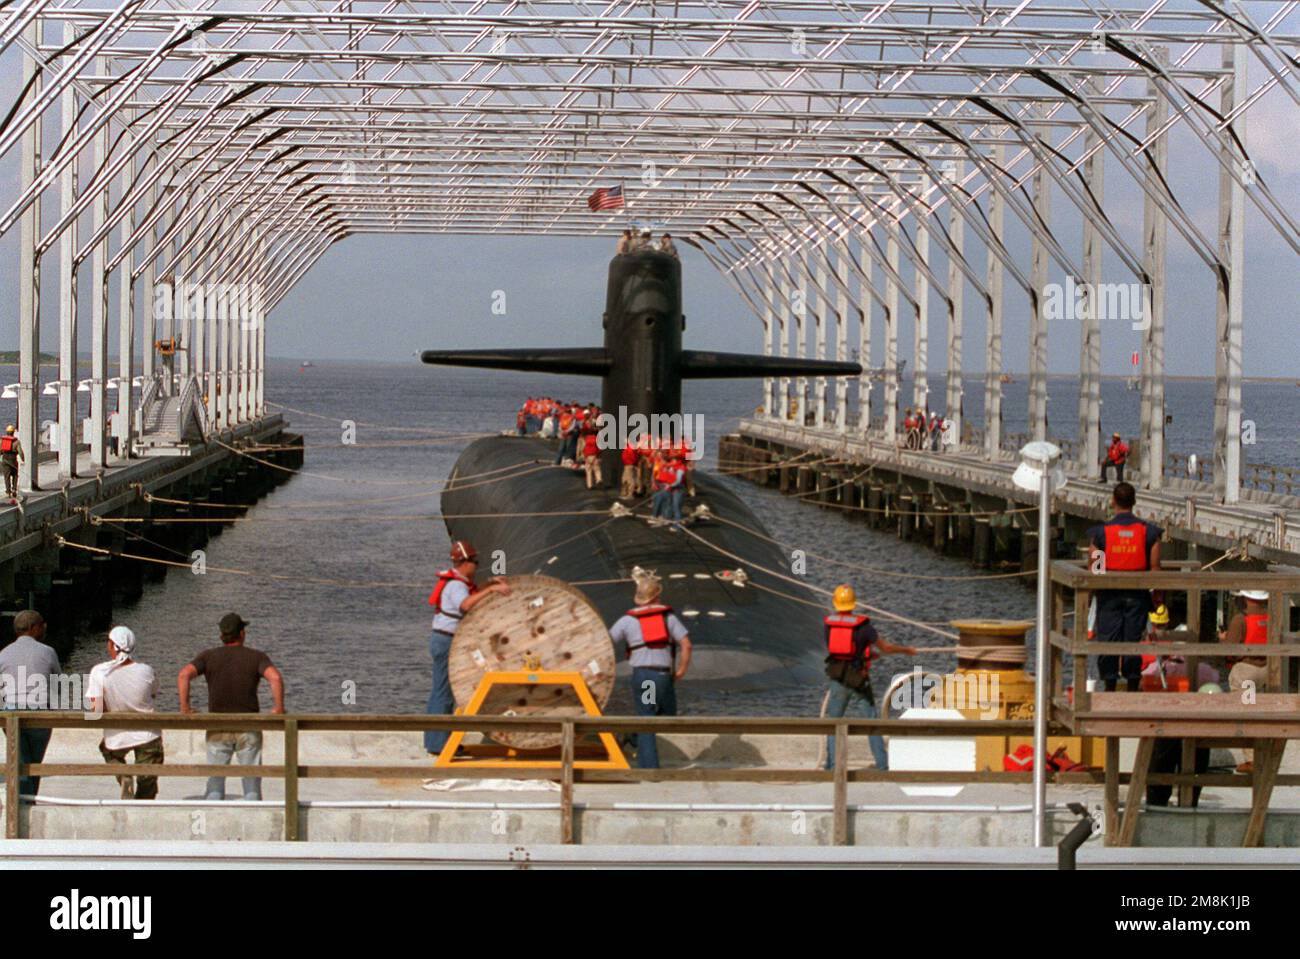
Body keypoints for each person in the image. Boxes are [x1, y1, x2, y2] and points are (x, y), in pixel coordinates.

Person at [177, 613, 285, 801]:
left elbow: (183, 675)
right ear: (242, 634)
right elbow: (275, 677)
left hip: (218, 725)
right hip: (248, 726)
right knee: (251, 783)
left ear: (221, 636)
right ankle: (252, 822)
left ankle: (213, 821)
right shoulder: (256, 657)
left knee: (215, 782)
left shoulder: (209, 656)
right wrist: (278, 708)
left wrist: (185, 708)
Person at [425, 540, 510, 755]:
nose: (477, 565)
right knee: (443, 693)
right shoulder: (456, 585)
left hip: (444, 640)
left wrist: (490, 584)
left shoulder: (459, 583)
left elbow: (470, 596)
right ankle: (438, 745)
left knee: (442, 691)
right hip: (445, 642)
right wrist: (492, 590)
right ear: (465, 563)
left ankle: (437, 741)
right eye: (475, 561)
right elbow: (466, 604)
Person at [821, 585, 916, 771]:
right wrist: (906, 650)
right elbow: (886, 648)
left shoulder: (829, 624)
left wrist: (865, 654)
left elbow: (838, 651)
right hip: (858, 681)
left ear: (835, 603)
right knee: (871, 721)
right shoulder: (864, 627)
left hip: (837, 679)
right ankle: (882, 766)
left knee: (833, 722)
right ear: (853, 604)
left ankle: (831, 766)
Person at [608, 573, 691, 769]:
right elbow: (686, 645)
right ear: (656, 597)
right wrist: (681, 670)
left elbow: (606, 642)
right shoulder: (668, 618)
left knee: (646, 717)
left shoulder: (627, 621)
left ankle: (638, 744)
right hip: (663, 677)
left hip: (645, 678)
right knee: (664, 715)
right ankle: (648, 765)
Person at [1086, 482, 1162, 692]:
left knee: (1108, 642)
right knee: (1133, 642)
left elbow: (1095, 567)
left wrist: (1090, 595)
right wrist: (1158, 598)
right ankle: (1131, 686)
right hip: (1137, 596)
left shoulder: (1101, 534)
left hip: (1109, 596)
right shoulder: (1149, 532)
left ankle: (1109, 686)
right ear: (1135, 502)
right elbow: (1155, 569)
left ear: (1113, 502)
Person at [1140, 608, 1210, 807]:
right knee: (1196, 767)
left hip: (1167, 725)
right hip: (1196, 727)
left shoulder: (1160, 667)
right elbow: (1213, 684)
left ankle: (1156, 804)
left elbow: (1143, 683)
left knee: (1160, 765)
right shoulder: (1203, 669)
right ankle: (1190, 804)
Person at [85, 626, 162, 800]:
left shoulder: (100, 672)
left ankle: (123, 775)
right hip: (148, 735)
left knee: (107, 750)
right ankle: (141, 810)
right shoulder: (146, 670)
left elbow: (95, 709)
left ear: (112, 645)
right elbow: (154, 693)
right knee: (147, 782)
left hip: (117, 736)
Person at [0, 610, 59, 795]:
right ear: (34, 628)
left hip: (11, 713)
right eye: (42, 625)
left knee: (20, 760)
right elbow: (58, 685)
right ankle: (27, 801)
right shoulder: (48, 652)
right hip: (39, 713)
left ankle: (23, 802)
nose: (44, 628)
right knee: (34, 763)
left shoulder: (3, 654)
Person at [1221, 589, 1271, 773]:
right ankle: (1264, 755)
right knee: (1262, 714)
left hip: (1246, 670)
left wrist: (1223, 640)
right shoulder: (1271, 617)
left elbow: (1231, 650)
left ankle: (1252, 760)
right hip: (1267, 671)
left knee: (1246, 713)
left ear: (1246, 598)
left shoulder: (1240, 619)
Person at [1, 425, 23, 500]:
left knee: (6, 476)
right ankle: (14, 489)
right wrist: (23, 459)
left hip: (5, 460)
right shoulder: (16, 442)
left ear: (7, 432)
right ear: (13, 432)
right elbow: (20, 452)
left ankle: (8, 491)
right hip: (13, 460)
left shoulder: (2, 440)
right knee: (15, 475)